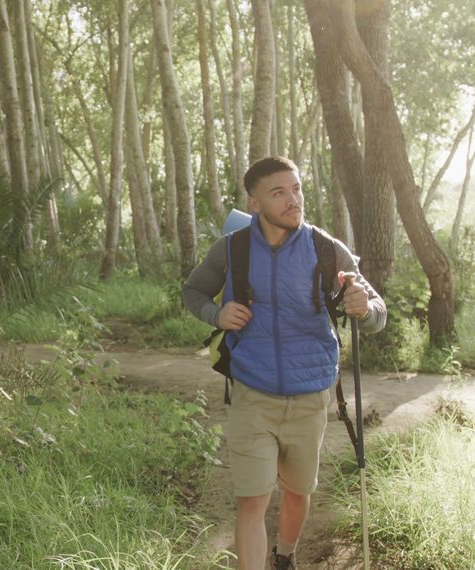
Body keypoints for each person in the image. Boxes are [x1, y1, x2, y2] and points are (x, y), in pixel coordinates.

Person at [182, 156, 386, 569]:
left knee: (297, 493)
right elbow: (193, 292)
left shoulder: (325, 249)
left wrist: (364, 308)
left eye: (296, 189)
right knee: (253, 499)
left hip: (311, 396)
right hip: (252, 393)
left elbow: (377, 313)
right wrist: (216, 314)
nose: (293, 200)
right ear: (254, 203)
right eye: (279, 193)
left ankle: (286, 555)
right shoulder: (232, 248)